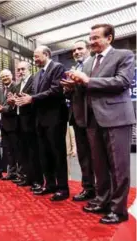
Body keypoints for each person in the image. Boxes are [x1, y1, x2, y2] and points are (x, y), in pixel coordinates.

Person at [63, 24, 135, 224]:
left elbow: (122, 81)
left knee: (119, 167)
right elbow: (85, 86)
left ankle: (118, 210)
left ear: (109, 38)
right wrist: (74, 85)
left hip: (117, 118)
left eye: (96, 38)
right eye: (90, 38)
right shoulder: (89, 62)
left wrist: (87, 80)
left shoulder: (124, 55)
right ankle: (102, 200)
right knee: (99, 164)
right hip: (92, 119)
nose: (91, 42)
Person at [16, 45, 69, 201]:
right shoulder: (38, 74)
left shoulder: (57, 67)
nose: (35, 59)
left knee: (57, 154)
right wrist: (24, 97)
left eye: (37, 56)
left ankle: (63, 188)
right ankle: (50, 184)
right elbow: (35, 94)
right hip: (40, 119)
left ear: (46, 54)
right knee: (44, 154)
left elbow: (56, 90)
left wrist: (32, 98)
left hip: (55, 118)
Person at [67, 40, 95, 201]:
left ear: (88, 49)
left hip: (92, 116)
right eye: (74, 49)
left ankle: (102, 191)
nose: (76, 52)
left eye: (80, 48)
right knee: (84, 156)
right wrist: (68, 88)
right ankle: (88, 188)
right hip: (77, 116)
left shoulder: (93, 64)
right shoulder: (75, 68)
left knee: (97, 156)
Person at [11, 61, 43, 190]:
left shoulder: (34, 81)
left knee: (33, 152)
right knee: (23, 152)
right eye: (18, 70)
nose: (20, 72)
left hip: (31, 121)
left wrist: (28, 100)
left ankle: (37, 180)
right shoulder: (18, 85)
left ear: (29, 69)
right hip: (19, 121)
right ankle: (27, 178)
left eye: (23, 69)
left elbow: (35, 98)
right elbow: (17, 101)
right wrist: (12, 101)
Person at [0, 69, 18, 180]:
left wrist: (2, 109)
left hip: (14, 124)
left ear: (11, 76)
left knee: (16, 150)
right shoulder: (1, 90)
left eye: (6, 76)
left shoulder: (16, 87)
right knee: (8, 150)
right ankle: (11, 172)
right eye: (2, 77)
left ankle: (19, 173)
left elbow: (15, 105)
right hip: (4, 124)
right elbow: (2, 105)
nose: (5, 78)